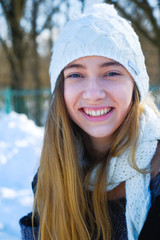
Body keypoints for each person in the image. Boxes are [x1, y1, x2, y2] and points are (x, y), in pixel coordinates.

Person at [19, 3, 160, 240]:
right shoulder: (52, 173)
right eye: (76, 74)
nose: (93, 93)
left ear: (135, 85)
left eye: (111, 73)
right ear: (60, 90)